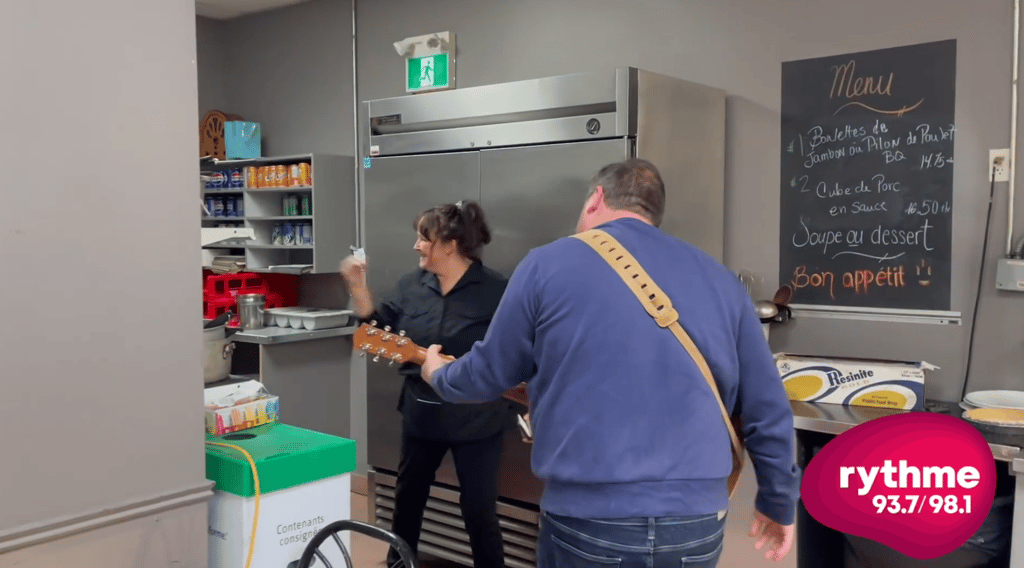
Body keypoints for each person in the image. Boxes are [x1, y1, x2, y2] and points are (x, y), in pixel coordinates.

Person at [419, 159, 801, 567]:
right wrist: (779, 501)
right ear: (652, 213)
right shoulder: (722, 280)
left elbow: (487, 374)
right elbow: (767, 406)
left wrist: (438, 373)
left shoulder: (546, 264)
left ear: (596, 197)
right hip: (695, 522)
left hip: (590, 518)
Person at [339, 201, 511, 568]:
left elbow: (513, 353)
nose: (416, 245)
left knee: (479, 511)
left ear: (449, 244)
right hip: (422, 414)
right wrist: (357, 285)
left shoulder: (498, 290)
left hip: (478, 419)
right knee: (408, 503)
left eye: (423, 238)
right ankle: (399, 564)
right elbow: (375, 334)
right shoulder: (410, 285)